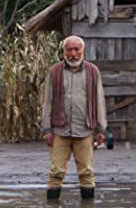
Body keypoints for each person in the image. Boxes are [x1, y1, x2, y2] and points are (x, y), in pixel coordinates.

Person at [41, 35, 107, 201]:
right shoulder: (54, 72)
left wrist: (101, 129)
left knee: (86, 172)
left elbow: (99, 100)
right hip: (60, 131)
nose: (73, 54)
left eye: (77, 49)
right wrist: (47, 129)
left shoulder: (93, 71)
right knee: (56, 173)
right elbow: (47, 101)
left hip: (85, 130)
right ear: (64, 52)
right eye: (69, 50)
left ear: (82, 50)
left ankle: (88, 203)